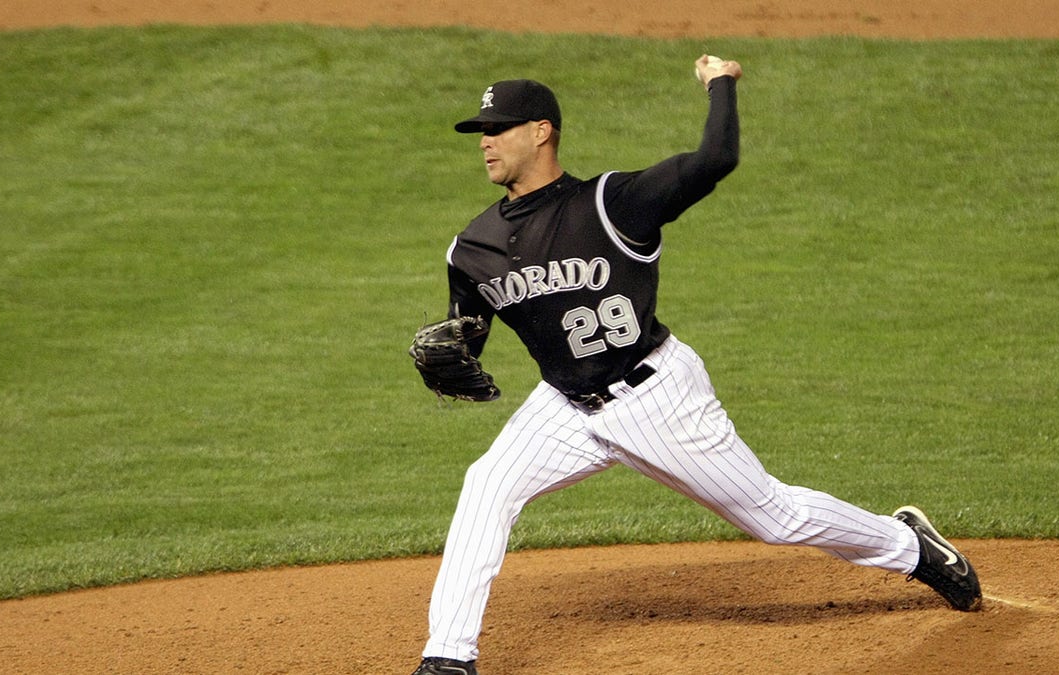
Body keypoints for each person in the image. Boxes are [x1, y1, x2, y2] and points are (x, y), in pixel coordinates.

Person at [410, 55, 981, 675]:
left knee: (775, 516)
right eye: (481, 132)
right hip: (564, 407)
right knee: (486, 485)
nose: (487, 142)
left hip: (656, 399)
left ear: (542, 131)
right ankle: (447, 658)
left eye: (500, 128)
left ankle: (910, 548)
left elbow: (715, 160)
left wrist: (722, 85)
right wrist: (445, 355)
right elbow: (465, 333)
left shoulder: (613, 203)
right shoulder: (470, 247)